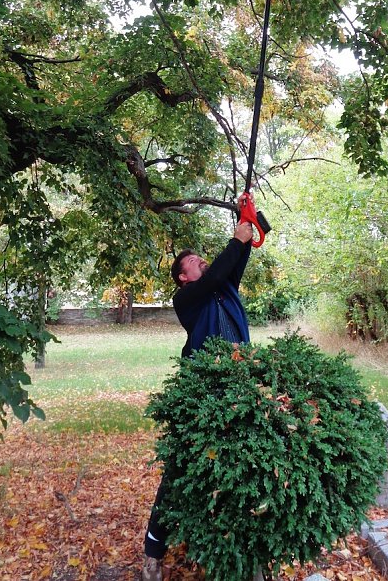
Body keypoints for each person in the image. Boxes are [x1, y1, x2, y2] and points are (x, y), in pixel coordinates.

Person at [140, 221, 254, 581]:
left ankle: (246, 556)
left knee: (245, 469)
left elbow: (232, 263)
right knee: (179, 471)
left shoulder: (224, 288)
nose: (200, 260)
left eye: (200, 257)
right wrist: (236, 240)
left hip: (239, 390)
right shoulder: (186, 299)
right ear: (182, 278)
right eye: (192, 260)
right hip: (202, 394)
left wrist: (248, 223)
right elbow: (218, 272)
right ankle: (153, 553)